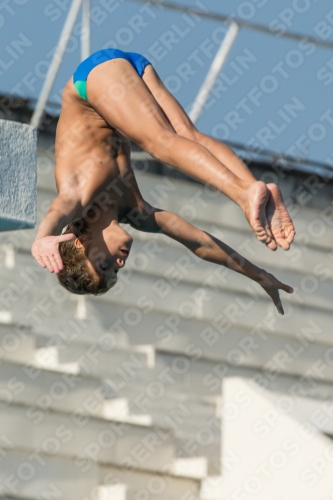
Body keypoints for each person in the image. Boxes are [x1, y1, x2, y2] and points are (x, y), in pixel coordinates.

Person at [31, 48, 294, 313]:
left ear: (81, 242)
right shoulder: (137, 213)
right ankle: (257, 193)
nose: (118, 265)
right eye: (115, 273)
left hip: (94, 79)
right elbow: (200, 244)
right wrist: (258, 275)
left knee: (160, 143)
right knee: (189, 136)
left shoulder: (80, 194)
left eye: (104, 265)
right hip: (132, 71)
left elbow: (57, 212)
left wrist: (42, 238)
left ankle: (244, 195)